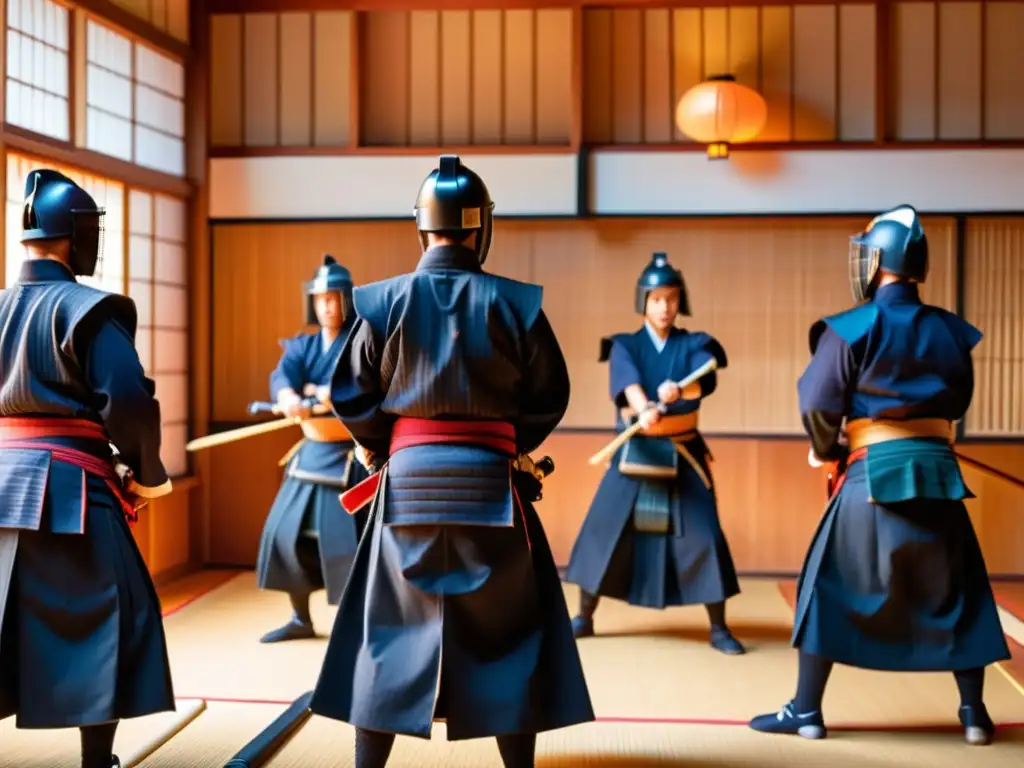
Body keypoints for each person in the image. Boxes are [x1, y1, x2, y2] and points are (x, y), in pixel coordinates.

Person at [309, 155, 594, 768]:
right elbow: (551, 394)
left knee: (388, 629)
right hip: (492, 483)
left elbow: (350, 392)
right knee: (509, 630)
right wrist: (509, 442)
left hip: (406, 485)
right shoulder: (515, 304)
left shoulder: (382, 302)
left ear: (422, 228)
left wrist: (381, 442)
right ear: (480, 227)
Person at [749, 205, 1010, 744]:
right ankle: (974, 714)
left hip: (872, 476)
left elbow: (819, 401)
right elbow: (957, 401)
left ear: (877, 261)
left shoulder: (850, 329)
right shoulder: (951, 332)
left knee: (827, 584)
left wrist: (826, 449)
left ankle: (806, 711)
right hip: (940, 475)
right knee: (956, 590)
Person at [0, 169, 175, 768]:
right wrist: (145, 474)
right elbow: (127, 400)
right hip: (69, 487)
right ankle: (96, 759)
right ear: (78, 234)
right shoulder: (91, 310)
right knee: (108, 612)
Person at [564, 253, 745, 655]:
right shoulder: (624, 345)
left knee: (704, 534)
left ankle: (718, 627)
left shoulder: (694, 343)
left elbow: (706, 375)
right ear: (643, 301)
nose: (664, 307)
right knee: (602, 529)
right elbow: (626, 381)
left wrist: (682, 390)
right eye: (656, 298)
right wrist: (643, 405)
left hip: (683, 451)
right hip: (635, 448)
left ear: (681, 301)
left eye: (671, 298)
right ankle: (584, 616)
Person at [255, 255, 370, 643]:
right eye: (320, 299)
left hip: (353, 457)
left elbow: (366, 384)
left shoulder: (363, 341)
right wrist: (288, 395)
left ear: (347, 300)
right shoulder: (304, 346)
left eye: (333, 298)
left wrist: (325, 394)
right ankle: (299, 616)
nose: (326, 306)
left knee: (353, 543)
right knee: (285, 533)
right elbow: (283, 374)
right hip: (311, 452)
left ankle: (359, 622)